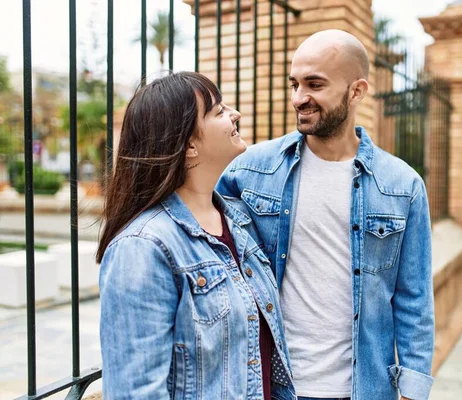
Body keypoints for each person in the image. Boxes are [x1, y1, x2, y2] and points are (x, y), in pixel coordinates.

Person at [218, 30, 435, 400]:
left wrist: (413, 390)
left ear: (357, 91)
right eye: (295, 84)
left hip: (362, 388)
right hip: (271, 385)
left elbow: (413, 298)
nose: (299, 98)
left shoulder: (402, 186)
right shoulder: (250, 170)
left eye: (314, 84)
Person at [96, 71, 295, 400]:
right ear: (188, 144)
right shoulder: (143, 247)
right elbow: (136, 391)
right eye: (218, 111)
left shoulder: (239, 221)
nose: (236, 114)